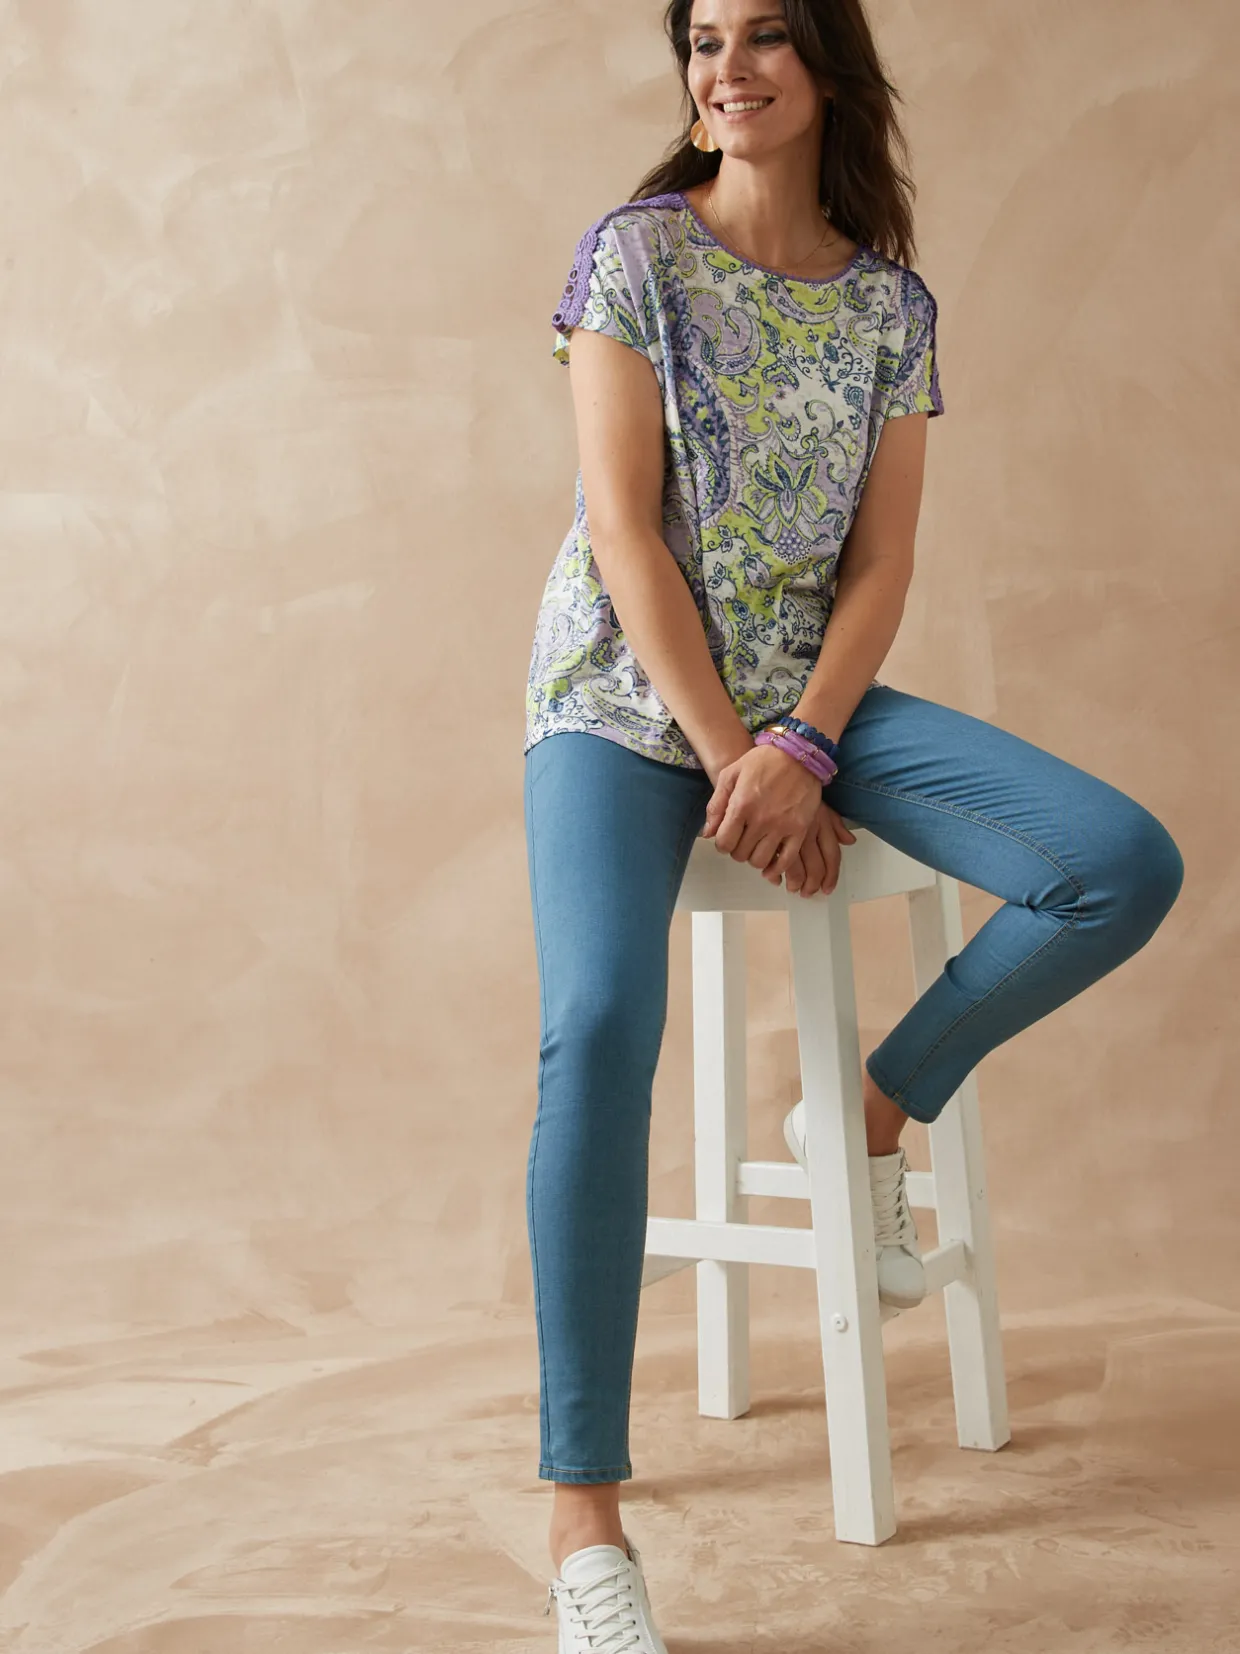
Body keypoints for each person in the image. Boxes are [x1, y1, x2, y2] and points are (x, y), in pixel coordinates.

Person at [521, 2, 1185, 1646]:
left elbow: (883, 563)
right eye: (702, 41)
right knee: (598, 1022)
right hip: (625, 698)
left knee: (1116, 864)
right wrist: (734, 755)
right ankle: (586, 1522)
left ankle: (871, 1111)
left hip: (821, 705)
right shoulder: (633, 257)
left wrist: (807, 740)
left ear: (827, 70)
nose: (726, 68)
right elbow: (623, 533)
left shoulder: (890, 306)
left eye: (764, 36)